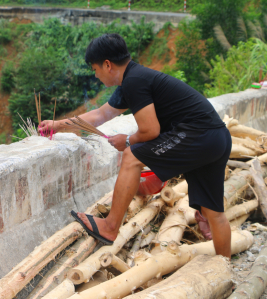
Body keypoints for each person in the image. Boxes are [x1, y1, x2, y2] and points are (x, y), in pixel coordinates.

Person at [38, 33, 232, 258]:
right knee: (214, 213)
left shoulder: (134, 81)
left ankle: (110, 226)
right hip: (217, 137)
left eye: (95, 68)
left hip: (197, 136)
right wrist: (57, 125)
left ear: (107, 65)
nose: (96, 74)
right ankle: (224, 268)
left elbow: (151, 130)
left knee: (132, 156)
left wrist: (127, 140)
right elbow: (101, 114)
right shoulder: (134, 78)